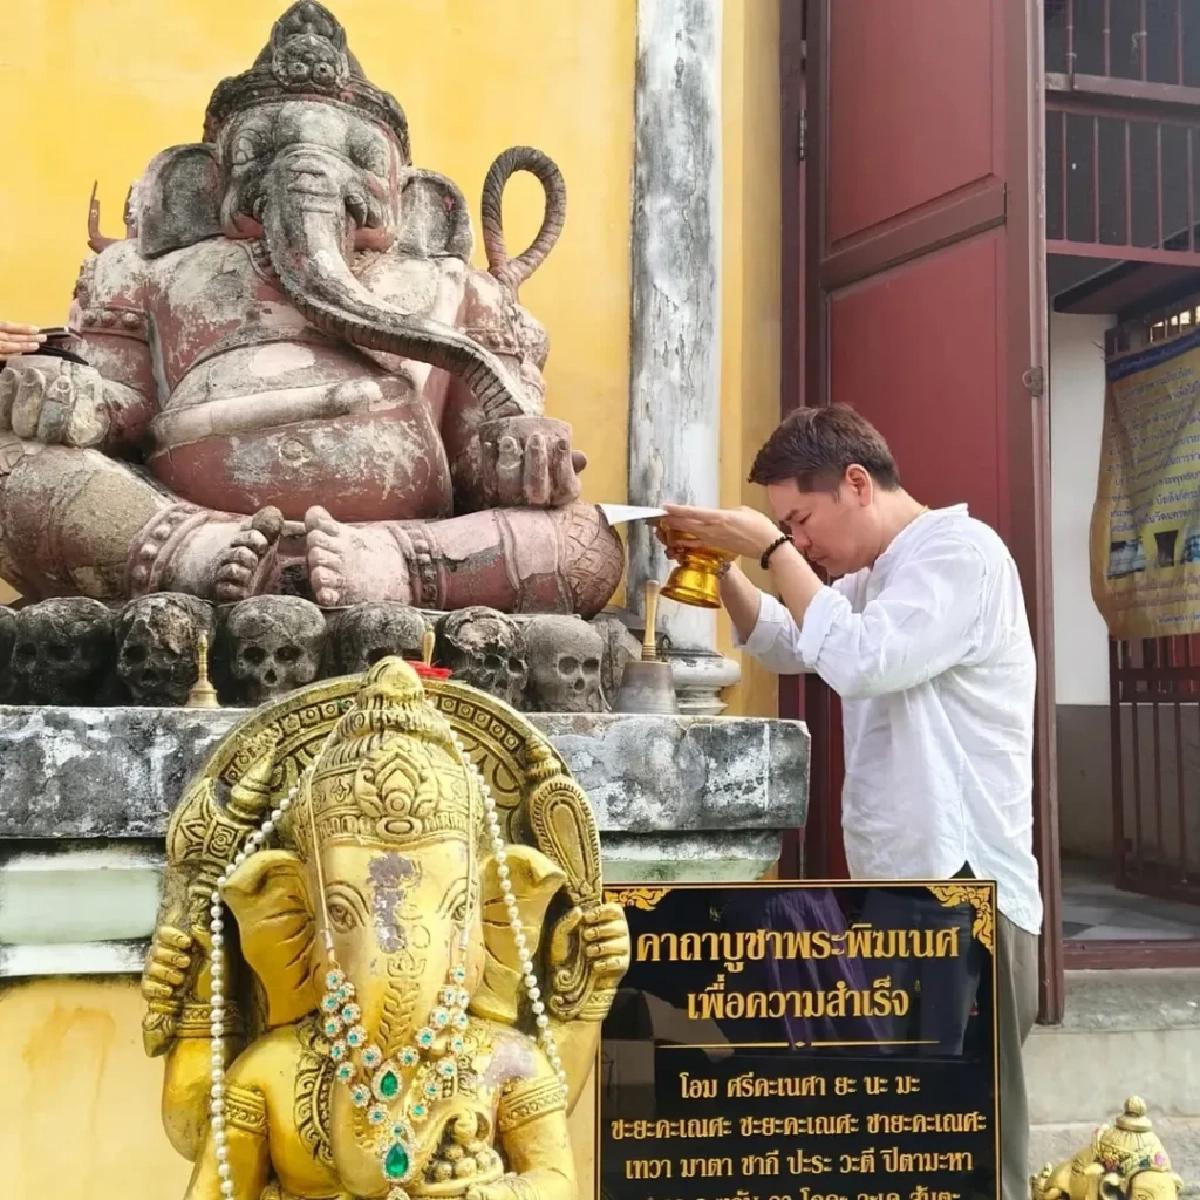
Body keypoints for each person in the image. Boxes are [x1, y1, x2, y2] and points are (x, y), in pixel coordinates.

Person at [662, 404, 1041, 1200]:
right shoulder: (873, 576)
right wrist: (722, 568)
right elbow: (797, 643)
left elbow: (864, 659)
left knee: (965, 1127)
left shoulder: (959, 554)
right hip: (905, 879)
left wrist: (764, 550)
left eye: (800, 520)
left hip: (966, 881)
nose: (800, 544)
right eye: (786, 530)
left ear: (857, 484)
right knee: (902, 1126)